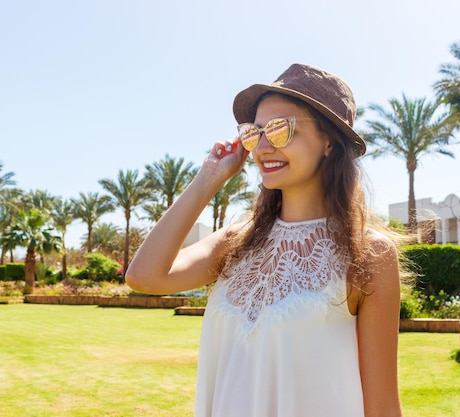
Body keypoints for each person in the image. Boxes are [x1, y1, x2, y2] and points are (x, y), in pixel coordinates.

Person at [126, 63, 403, 417]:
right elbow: (144, 276)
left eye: (279, 129)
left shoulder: (368, 253)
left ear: (330, 141)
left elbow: (381, 406)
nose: (263, 147)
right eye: (254, 133)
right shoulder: (236, 241)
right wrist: (209, 177)